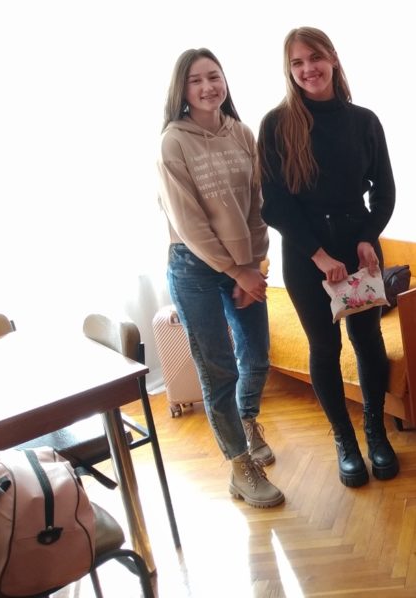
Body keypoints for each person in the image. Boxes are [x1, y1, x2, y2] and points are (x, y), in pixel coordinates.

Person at [258, 27, 398, 488]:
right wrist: (318, 255)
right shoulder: (276, 125)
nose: (308, 70)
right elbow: (274, 205)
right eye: (297, 63)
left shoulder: (364, 121)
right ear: (289, 71)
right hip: (306, 256)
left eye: (314, 58)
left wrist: (367, 238)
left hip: (360, 250)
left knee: (368, 339)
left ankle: (376, 431)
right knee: (325, 347)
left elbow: (384, 192)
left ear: (333, 58)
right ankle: (345, 441)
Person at [158, 48, 284, 508]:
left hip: (243, 263)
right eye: (196, 80)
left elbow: (256, 204)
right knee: (218, 369)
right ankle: (240, 466)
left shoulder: (241, 132)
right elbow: (188, 222)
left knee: (257, 355)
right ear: (182, 89)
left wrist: (254, 265)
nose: (208, 87)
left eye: (214, 76)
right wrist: (235, 270)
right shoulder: (173, 141)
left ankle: (247, 422)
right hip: (194, 268)